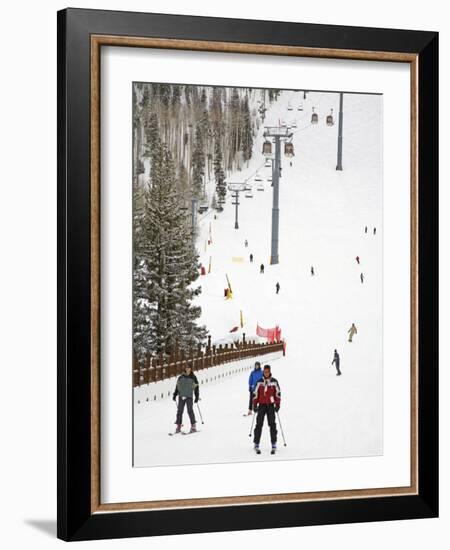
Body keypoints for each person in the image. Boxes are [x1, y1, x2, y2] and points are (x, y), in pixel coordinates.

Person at [253, 365, 281, 453]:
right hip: (261, 405)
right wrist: (254, 405)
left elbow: (278, 393)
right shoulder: (259, 382)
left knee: (272, 424)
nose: (266, 373)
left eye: (267, 372)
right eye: (264, 372)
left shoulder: (274, 382)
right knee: (259, 424)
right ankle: (256, 443)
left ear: (270, 372)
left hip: (270, 406)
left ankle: (274, 443)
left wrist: (277, 404)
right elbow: (255, 394)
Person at [172, 363, 199, 433]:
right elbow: (177, 386)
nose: (187, 369)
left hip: (189, 396)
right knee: (179, 411)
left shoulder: (193, 377)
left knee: (190, 410)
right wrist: (175, 394)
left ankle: (193, 426)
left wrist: (197, 396)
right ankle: (178, 426)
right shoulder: (181, 377)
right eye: (186, 368)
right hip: (181, 396)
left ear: (191, 369)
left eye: (188, 367)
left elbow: (196, 388)